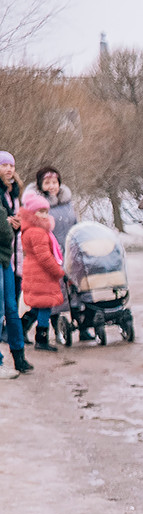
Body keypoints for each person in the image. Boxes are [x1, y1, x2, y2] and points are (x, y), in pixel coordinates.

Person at [18, 193, 65, 355]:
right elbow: (44, 257)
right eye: (40, 212)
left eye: (46, 211)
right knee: (45, 307)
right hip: (41, 274)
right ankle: (41, 339)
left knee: (37, 306)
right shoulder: (37, 232)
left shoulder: (30, 229)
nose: (44, 215)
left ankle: (21, 329)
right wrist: (58, 271)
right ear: (32, 213)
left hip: (35, 273)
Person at [0, 151, 26, 376]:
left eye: (11, 165)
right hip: (4, 252)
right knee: (2, 307)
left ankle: (19, 356)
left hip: (11, 254)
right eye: (4, 165)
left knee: (11, 306)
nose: (9, 169)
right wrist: (7, 223)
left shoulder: (14, 192)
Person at [24, 167, 77, 254]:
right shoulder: (35, 206)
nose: (51, 186)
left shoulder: (67, 203)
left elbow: (76, 226)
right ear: (40, 186)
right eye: (47, 183)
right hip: (48, 254)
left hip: (70, 253)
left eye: (54, 182)